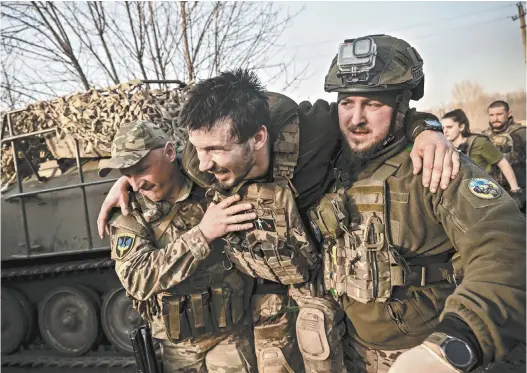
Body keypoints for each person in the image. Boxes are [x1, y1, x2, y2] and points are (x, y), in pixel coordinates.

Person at [97, 72, 460, 372]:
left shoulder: (311, 130)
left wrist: (428, 130)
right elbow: (166, 181)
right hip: (229, 315)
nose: (205, 164)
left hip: (316, 293)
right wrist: (130, 180)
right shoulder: (195, 164)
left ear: (257, 138)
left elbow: (371, 121)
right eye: (200, 152)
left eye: (215, 152)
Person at [310, 33, 526, 373]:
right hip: (348, 349)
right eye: (347, 102)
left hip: (424, 351)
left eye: (374, 104)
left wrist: (456, 342)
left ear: (401, 107)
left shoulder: (437, 165)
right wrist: (423, 124)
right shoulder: (331, 160)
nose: (356, 118)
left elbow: (505, 247)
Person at [99, 120, 257, 372]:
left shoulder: (211, 180)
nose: (136, 183)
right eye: (126, 174)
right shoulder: (129, 212)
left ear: (171, 153)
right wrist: (202, 235)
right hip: (179, 345)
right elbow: (137, 278)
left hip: (232, 333)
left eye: (141, 168)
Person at [441, 109, 522, 207]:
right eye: (443, 127)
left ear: (461, 127)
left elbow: (503, 163)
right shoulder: (447, 147)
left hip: (488, 195)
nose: (445, 131)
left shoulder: (479, 143)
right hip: (465, 198)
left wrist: (515, 191)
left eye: (449, 127)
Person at [483, 100, 526, 211]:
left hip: (520, 190)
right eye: (491, 115)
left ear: (509, 113)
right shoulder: (484, 137)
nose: (495, 118)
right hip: (494, 191)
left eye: (499, 114)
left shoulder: (521, 133)